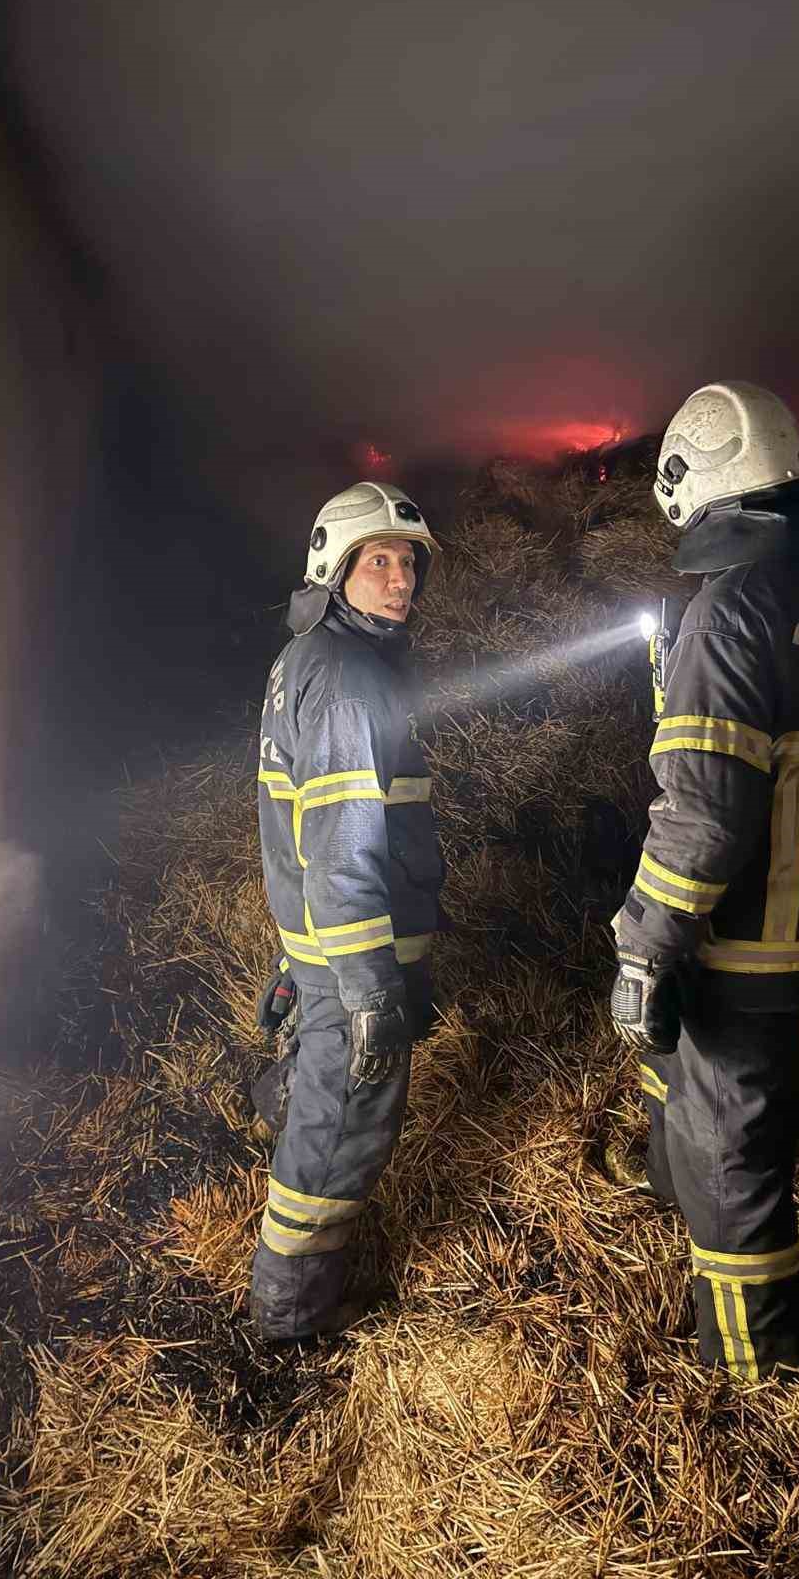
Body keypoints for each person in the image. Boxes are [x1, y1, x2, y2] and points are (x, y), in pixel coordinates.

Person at [609, 381, 799, 1379]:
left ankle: (755, 1364)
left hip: (748, 933)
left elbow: (704, 812)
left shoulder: (729, 612)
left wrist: (645, 939)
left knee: (736, 1143)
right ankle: (665, 1175)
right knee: (714, 1093)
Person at [250, 481, 444, 1340]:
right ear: (335, 571)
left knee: (330, 1104)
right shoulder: (348, 678)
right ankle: (290, 1320)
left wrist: (301, 964)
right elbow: (343, 849)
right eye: (378, 562)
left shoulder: (314, 661)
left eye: (407, 563)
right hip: (353, 958)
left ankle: (288, 1088)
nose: (398, 578)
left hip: (320, 949)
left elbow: (307, 833)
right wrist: (370, 995)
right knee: (341, 1133)